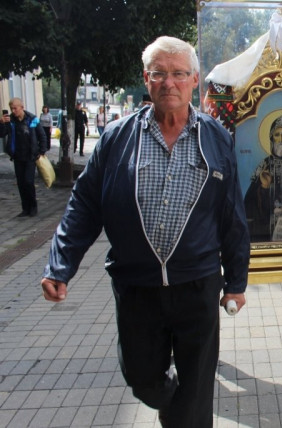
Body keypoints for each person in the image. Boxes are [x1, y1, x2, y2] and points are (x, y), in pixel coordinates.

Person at [40, 36, 250, 427]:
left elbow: (232, 215)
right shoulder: (117, 137)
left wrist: (236, 282)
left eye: (179, 73)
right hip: (136, 285)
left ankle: (185, 412)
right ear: (146, 78)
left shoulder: (216, 138)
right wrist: (60, 266)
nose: (169, 82)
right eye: (159, 73)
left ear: (194, 80)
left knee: (196, 394)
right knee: (142, 378)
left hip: (197, 284)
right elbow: (84, 205)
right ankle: (170, 401)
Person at [1, 98, 47, 217]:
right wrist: (1, 123)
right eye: (11, 109)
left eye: (15, 108)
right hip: (17, 156)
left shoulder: (32, 119)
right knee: (21, 183)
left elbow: (42, 135)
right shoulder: (10, 120)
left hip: (30, 156)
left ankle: (33, 206)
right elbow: (2, 134)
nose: (13, 111)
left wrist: (42, 151)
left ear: (22, 107)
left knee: (28, 181)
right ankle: (25, 208)